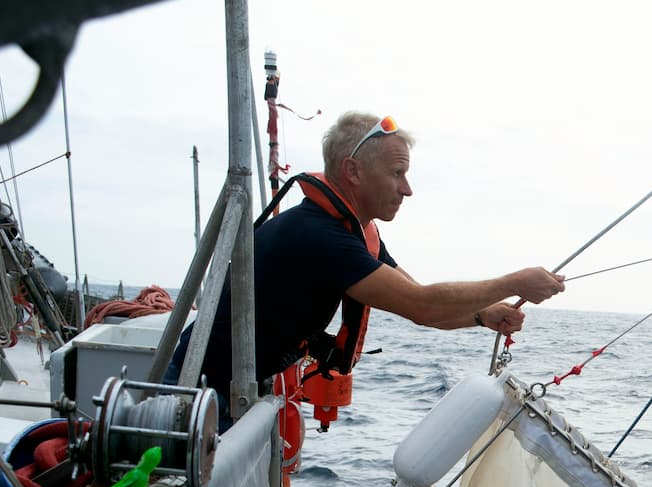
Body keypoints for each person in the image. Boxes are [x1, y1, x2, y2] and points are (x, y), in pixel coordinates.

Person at [168, 110, 565, 419]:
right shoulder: (320, 236)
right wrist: (516, 282)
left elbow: (422, 306)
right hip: (199, 392)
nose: (407, 189)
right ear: (353, 171)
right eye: (397, 174)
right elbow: (422, 303)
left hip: (234, 387)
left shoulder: (353, 232)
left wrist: (482, 316)